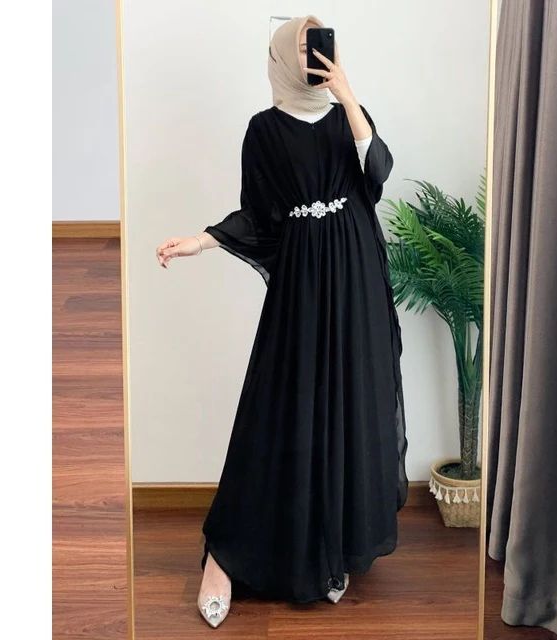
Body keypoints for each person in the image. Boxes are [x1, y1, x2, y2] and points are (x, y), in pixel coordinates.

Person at [156, 14, 409, 629]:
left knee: (348, 404)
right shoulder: (263, 129)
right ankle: (225, 556)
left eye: (320, 43)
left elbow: (377, 173)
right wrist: (203, 240)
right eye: (302, 44)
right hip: (302, 282)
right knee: (281, 407)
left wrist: (348, 94)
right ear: (280, 55)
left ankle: (330, 551)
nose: (313, 54)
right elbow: (259, 214)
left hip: (356, 275)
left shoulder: (349, 114)